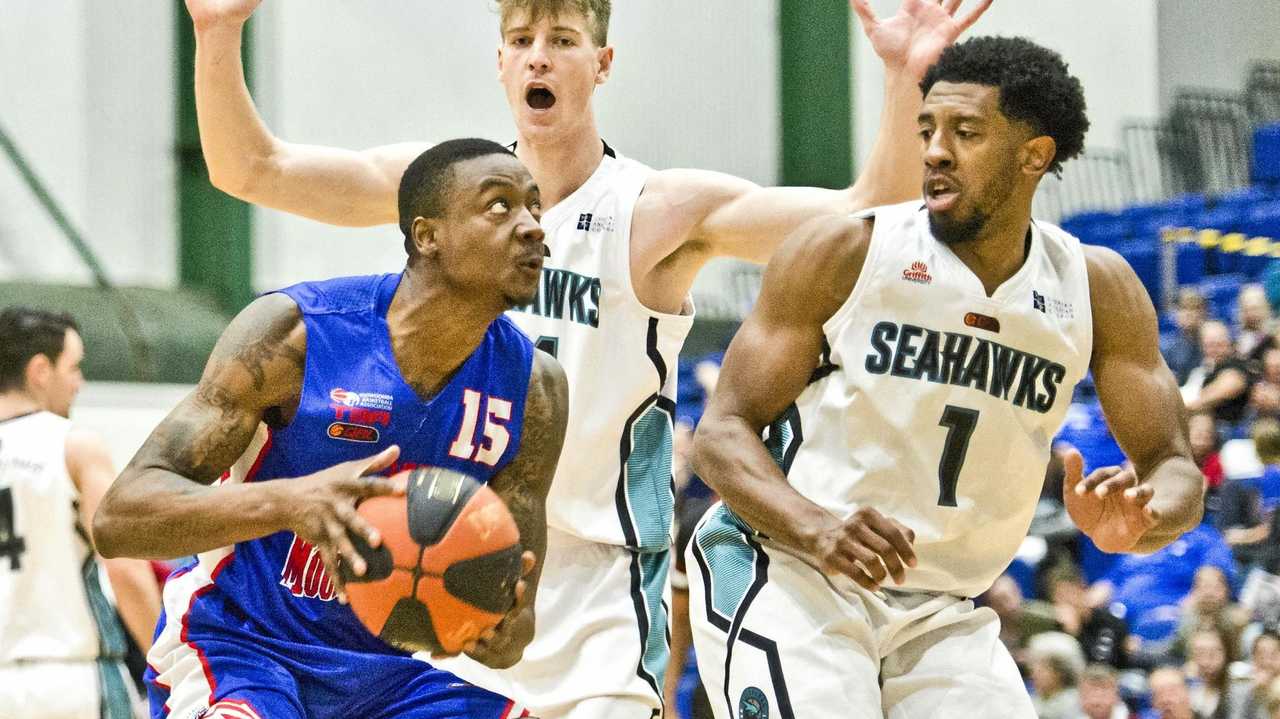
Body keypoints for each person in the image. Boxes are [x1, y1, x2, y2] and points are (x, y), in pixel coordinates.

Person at [182, 0, 994, 715]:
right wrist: (217, 33)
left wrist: (904, 81)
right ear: (500, 61)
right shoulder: (436, 190)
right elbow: (251, 168)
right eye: (523, 36)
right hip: (436, 558)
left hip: (597, 587)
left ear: (601, 64)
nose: (540, 53)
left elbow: (866, 216)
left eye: (564, 38)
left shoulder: (656, 212)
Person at [687, 36, 1204, 717]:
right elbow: (718, 435)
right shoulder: (848, 250)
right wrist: (816, 527)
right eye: (927, 129)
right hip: (789, 568)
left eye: (966, 132)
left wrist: (1143, 520)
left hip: (944, 609)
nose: (934, 150)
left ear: (1034, 155)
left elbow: (1175, 466)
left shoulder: (1094, 287)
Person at [92, 140, 569, 719]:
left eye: (536, 209)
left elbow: (514, 637)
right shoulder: (293, 333)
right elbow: (118, 519)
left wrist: (491, 622)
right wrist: (291, 501)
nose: (532, 229)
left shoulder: (535, 389)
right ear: (427, 236)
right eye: (500, 206)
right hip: (238, 644)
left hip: (381, 678)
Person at [0, 307, 163, 719]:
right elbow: (125, 569)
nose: (80, 383)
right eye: (74, 367)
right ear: (40, 370)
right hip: (73, 681)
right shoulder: (74, 445)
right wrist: (167, 669)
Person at [1185, 321, 1251, 428]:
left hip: (1229, 429)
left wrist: (1185, 407)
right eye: (1209, 345)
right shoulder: (1203, 370)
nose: (1214, 349)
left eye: (1219, 344)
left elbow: (1228, 387)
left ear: (1229, 343)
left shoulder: (1236, 365)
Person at [1029, 631, 1087, 719]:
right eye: (1034, 666)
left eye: (1043, 668)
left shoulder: (1077, 707)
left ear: (1060, 672)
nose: (1034, 674)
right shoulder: (1032, 703)